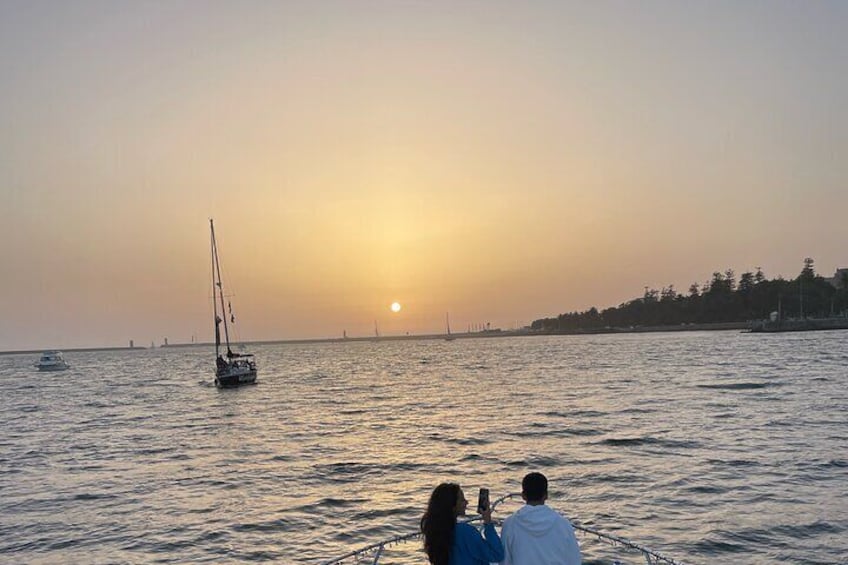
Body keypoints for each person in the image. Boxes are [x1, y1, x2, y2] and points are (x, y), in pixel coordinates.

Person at [500, 472, 582, 565]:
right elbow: (574, 560)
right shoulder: (563, 524)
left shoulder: (510, 524)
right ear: (546, 495)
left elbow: (505, 561)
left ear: (523, 495)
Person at [421, 482, 504, 565]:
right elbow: (497, 554)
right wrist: (488, 523)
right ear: (452, 505)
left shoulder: (435, 533)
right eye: (462, 500)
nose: (466, 502)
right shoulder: (465, 532)